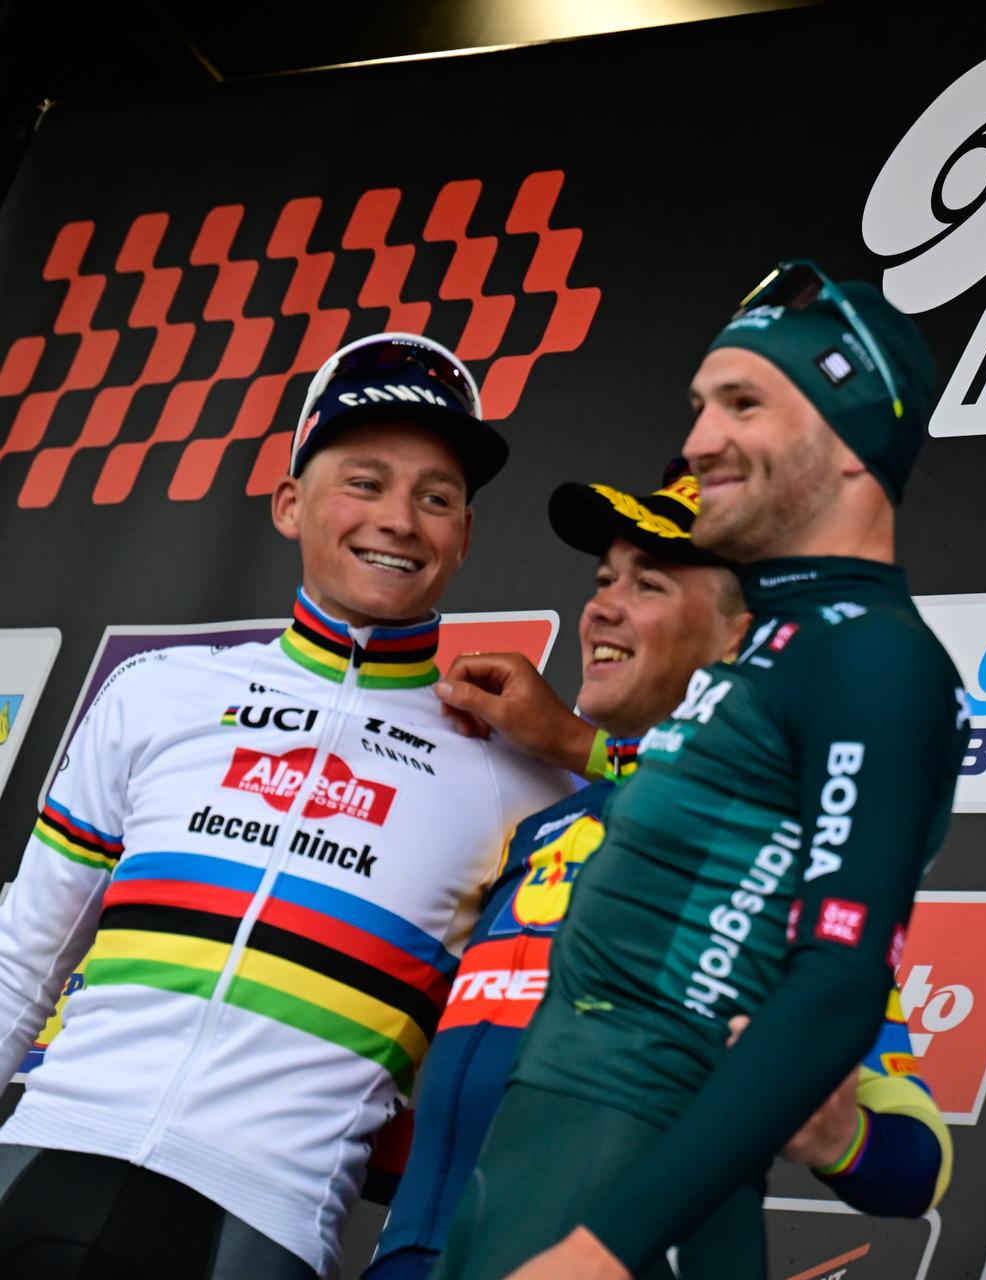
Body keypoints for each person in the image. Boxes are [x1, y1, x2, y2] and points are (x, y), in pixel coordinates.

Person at [0, 333, 574, 1280]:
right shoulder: (160, 690)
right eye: (365, 482)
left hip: (265, 1222)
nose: (399, 520)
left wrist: (583, 749)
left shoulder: (524, 779)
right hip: (42, 1164)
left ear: (466, 536)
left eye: (435, 498)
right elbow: (23, 957)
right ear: (289, 503)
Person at [434, 262, 968, 1280]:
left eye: (745, 403)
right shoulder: (574, 806)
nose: (699, 439)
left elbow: (842, 995)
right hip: (497, 1201)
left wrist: (604, 1249)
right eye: (701, 405)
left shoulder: (865, 664)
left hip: (612, 1200)